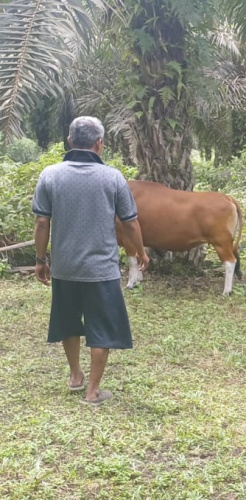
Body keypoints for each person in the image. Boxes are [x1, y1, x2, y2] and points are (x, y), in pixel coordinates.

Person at [32, 116, 149, 406]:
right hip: (102, 271)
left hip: (65, 268)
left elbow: (41, 222)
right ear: (100, 143)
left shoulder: (50, 174)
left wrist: (40, 259)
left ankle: (75, 376)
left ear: (70, 142)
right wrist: (142, 252)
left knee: (67, 322)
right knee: (103, 328)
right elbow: (130, 223)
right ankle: (93, 392)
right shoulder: (113, 177)